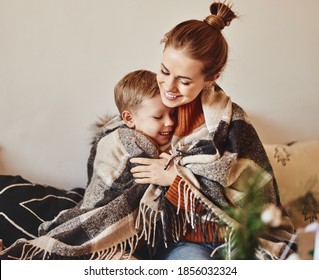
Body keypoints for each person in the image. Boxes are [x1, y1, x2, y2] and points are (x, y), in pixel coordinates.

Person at [129, 1, 296, 259]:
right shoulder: (146, 107)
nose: (169, 86)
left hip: (232, 236)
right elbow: (117, 166)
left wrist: (177, 180)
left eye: (184, 81)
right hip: (182, 241)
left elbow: (256, 203)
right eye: (164, 71)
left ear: (211, 78)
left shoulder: (233, 125)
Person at [0, 69, 176, 260]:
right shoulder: (122, 143)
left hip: (133, 238)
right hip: (103, 231)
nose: (169, 122)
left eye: (173, 114)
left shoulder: (166, 142)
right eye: (158, 117)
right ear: (129, 119)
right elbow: (105, 197)